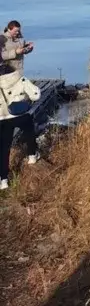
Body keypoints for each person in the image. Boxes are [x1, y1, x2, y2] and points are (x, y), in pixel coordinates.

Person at [0, 21, 40, 191]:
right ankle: (32, 155)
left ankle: (3, 180)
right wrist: (16, 52)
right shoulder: (20, 79)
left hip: (1, 117)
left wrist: (26, 49)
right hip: (16, 109)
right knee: (29, 124)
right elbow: (36, 94)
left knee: (3, 148)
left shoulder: (17, 39)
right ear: (9, 29)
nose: (18, 33)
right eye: (16, 31)